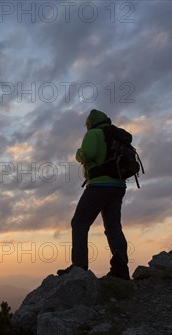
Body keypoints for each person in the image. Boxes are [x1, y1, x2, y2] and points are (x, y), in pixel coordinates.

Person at [57, 109, 130, 280]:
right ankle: (121, 268)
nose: (86, 127)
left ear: (90, 123)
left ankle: (79, 267)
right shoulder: (115, 135)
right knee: (113, 227)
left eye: (86, 125)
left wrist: (78, 154)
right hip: (118, 186)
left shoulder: (94, 134)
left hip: (99, 185)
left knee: (79, 223)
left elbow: (87, 154)